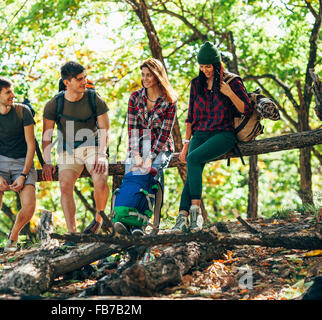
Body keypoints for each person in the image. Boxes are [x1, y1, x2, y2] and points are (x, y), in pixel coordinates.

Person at [171, 41, 254, 233]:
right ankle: (182, 219)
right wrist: (185, 145)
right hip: (199, 134)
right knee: (193, 164)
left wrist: (230, 93)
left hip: (223, 134)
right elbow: (190, 116)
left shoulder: (232, 82)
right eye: (201, 66)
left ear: (217, 65)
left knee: (193, 159)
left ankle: (195, 216)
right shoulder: (196, 83)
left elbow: (246, 110)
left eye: (208, 66)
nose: (205, 70)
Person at [42, 61, 110, 237]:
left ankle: (98, 220)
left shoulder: (94, 99)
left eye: (85, 77)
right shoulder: (53, 104)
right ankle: (72, 234)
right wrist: (47, 162)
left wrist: (102, 154)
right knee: (65, 185)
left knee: (101, 180)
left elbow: (105, 130)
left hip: (93, 147)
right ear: (67, 83)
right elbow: (46, 136)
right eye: (80, 79)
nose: (84, 82)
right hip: (68, 151)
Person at [115, 57, 178, 236]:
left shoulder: (169, 100)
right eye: (143, 75)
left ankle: (141, 226)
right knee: (133, 177)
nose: (145, 79)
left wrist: (149, 157)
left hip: (161, 146)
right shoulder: (135, 97)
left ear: (158, 76)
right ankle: (125, 223)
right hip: (138, 146)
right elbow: (132, 129)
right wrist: (136, 155)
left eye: (149, 75)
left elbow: (165, 132)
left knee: (151, 175)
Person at [0, 77, 37, 260]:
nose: (13, 95)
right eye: (8, 92)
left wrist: (23, 174)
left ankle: (13, 238)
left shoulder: (23, 111)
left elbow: (31, 146)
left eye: (12, 91)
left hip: (23, 160)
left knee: (29, 206)